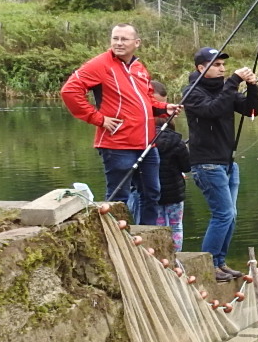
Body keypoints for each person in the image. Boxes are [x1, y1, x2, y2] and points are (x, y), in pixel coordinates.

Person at [59, 24, 174, 226]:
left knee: (152, 193)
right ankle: (117, 236)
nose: (119, 43)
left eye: (124, 39)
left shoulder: (139, 67)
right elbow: (69, 91)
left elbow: (146, 100)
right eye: (115, 38)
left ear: (136, 43)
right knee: (119, 197)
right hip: (117, 143)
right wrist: (99, 119)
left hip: (147, 143)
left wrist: (164, 108)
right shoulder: (100, 64)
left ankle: (146, 234)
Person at [183, 47, 258, 282]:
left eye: (223, 65)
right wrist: (235, 81)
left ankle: (219, 262)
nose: (222, 69)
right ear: (201, 67)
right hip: (207, 164)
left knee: (231, 215)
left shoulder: (225, 90)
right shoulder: (192, 92)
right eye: (216, 65)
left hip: (227, 163)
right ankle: (209, 266)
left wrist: (252, 87)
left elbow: (251, 110)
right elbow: (212, 110)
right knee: (223, 214)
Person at [147, 81, 191, 251]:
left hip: (154, 192)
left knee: (158, 225)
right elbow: (186, 166)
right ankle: (176, 255)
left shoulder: (143, 139)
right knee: (176, 225)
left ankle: (161, 255)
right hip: (175, 193)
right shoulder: (177, 141)